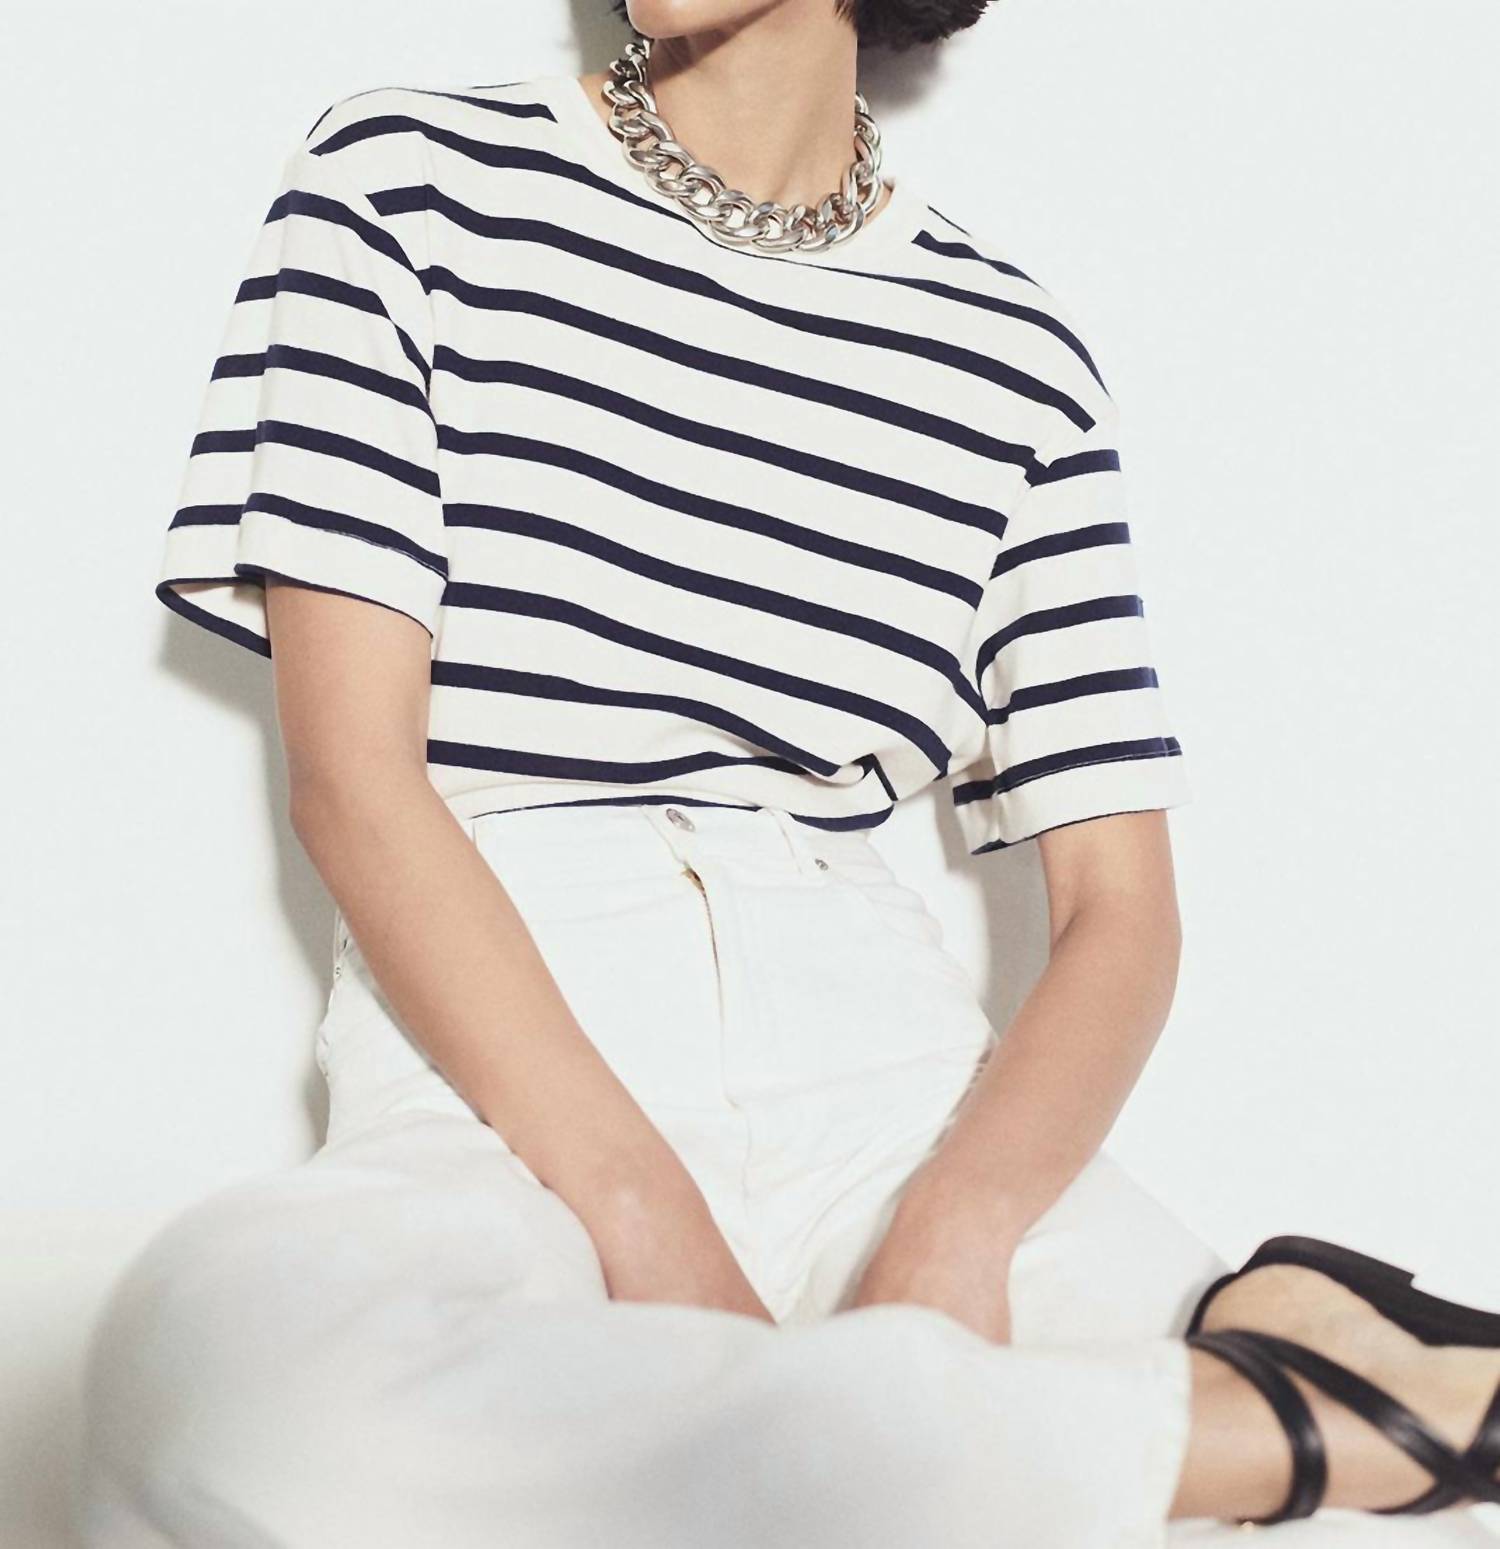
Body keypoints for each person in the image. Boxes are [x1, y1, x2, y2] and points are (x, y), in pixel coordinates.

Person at [79, 2, 1500, 1544]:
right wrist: (646, 1218)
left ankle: (1160, 1417)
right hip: (507, 1057)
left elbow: (1121, 906)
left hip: (887, 1085)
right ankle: (1283, 1410)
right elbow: (355, 784)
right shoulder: (408, 180)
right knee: (219, 1396)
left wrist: (953, 1233)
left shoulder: (1010, 353)